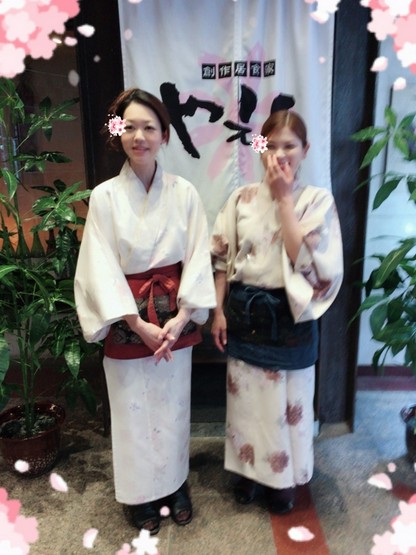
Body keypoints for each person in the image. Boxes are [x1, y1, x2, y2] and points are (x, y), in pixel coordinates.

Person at [74, 88, 216, 535]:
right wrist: (135, 322)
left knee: (173, 407)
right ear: (117, 132)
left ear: (164, 135)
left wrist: (181, 318)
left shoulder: (184, 193)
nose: (140, 136)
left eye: (149, 127)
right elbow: (98, 265)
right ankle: (140, 495)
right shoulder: (104, 197)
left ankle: (175, 486)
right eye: (130, 127)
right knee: (132, 411)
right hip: (128, 319)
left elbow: (197, 257)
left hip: (173, 319)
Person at [210, 110, 343, 514]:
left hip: (289, 318)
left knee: (288, 403)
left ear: (306, 150)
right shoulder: (241, 198)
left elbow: (305, 260)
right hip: (244, 312)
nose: (281, 154)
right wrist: (218, 312)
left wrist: (285, 199)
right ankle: (249, 472)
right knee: (247, 401)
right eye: (272, 145)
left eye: (291, 146)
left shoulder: (317, 201)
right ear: (259, 147)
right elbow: (220, 258)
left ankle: (282, 479)